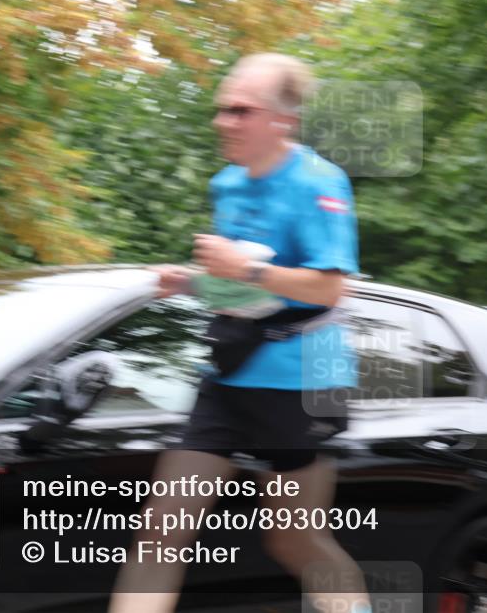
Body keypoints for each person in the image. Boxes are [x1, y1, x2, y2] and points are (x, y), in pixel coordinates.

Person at [109, 53, 370, 613]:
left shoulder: (320, 183)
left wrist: (240, 269)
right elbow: (245, 290)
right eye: (221, 110)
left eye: (240, 110)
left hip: (303, 379)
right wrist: (193, 283)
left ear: (283, 121)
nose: (222, 121)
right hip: (231, 371)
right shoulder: (226, 184)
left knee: (294, 539)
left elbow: (329, 289)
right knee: (161, 531)